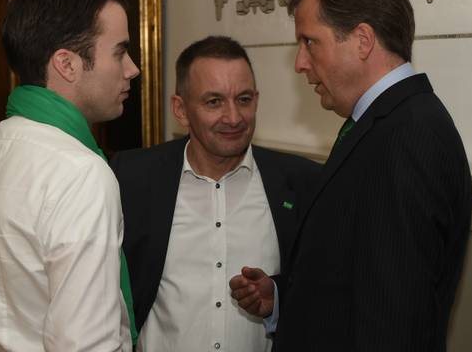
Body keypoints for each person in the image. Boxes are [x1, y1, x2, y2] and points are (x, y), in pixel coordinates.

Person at [229, 0, 472, 351]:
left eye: (310, 42)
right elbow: (352, 277)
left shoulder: (408, 135)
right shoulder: (382, 125)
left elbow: (393, 319)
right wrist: (284, 297)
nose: (300, 63)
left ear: (362, 40)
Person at [0, 0, 139, 351]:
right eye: (119, 52)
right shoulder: (81, 174)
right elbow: (86, 343)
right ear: (67, 64)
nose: (132, 68)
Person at [110, 36, 320, 352]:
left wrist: (276, 298)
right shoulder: (131, 178)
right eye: (214, 102)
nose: (233, 118)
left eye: (244, 99)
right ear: (180, 109)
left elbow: (323, 292)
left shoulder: (300, 183)